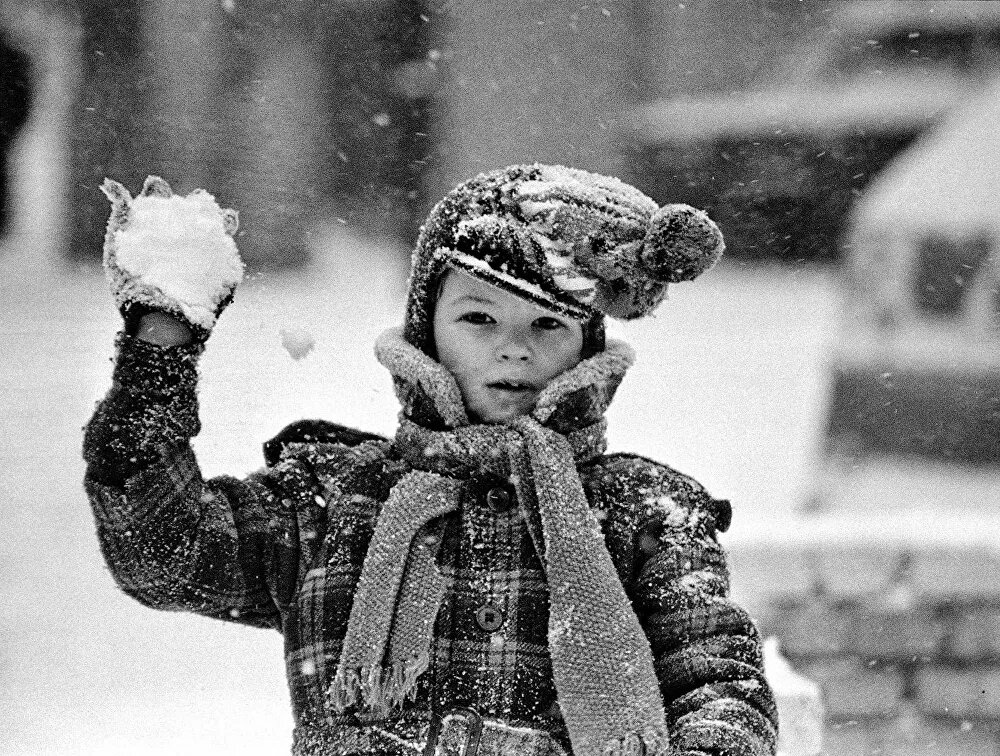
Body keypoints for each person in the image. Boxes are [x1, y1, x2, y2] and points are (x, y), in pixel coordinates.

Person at [84, 165, 778, 756]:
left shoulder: (641, 511)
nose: (514, 348)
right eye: (479, 319)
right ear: (427, 330)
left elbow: (716, 677)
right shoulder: (333, 501)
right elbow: (162, 552)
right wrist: (159, 352)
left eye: (547, 324)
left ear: (588, 346)